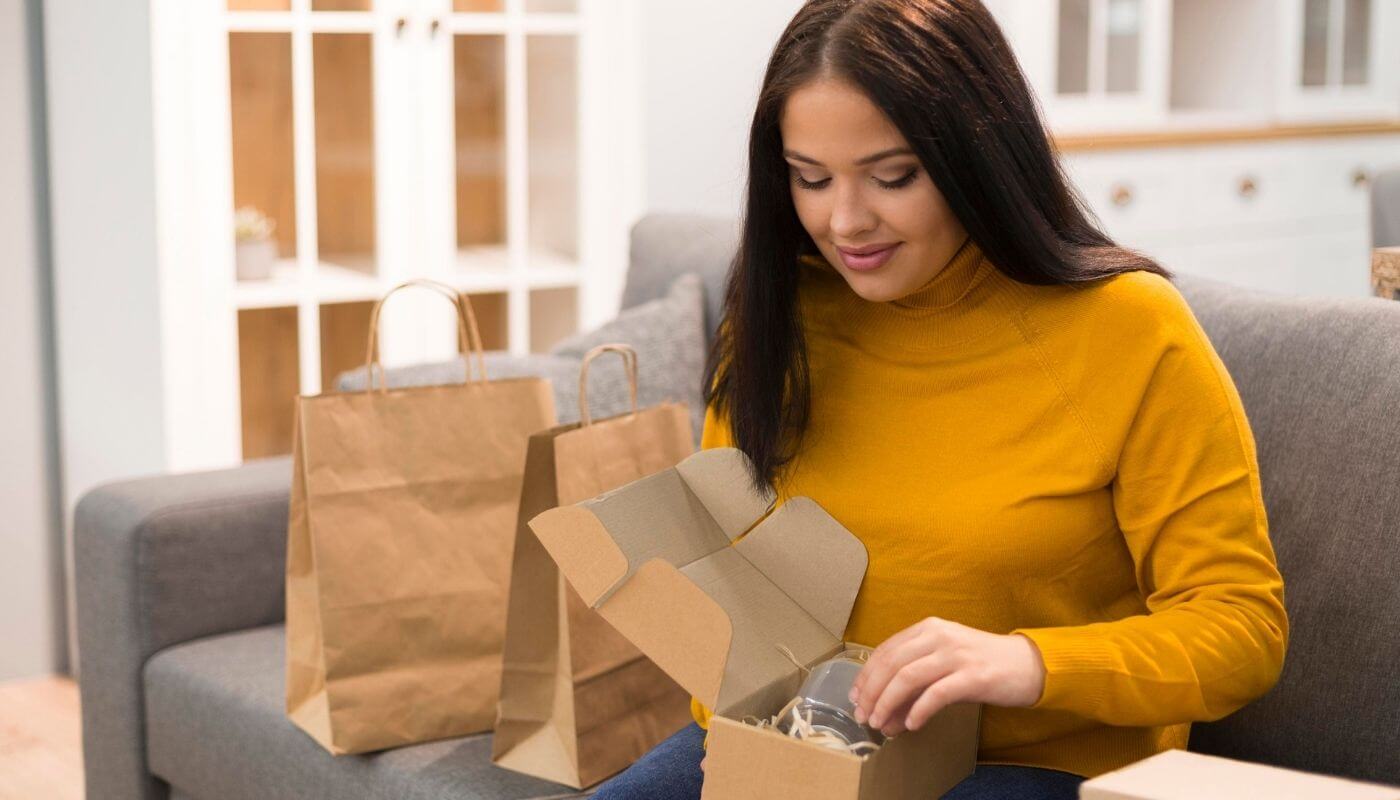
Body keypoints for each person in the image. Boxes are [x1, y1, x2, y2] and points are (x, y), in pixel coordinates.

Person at [593, 1, 1287, 797]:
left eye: (894, 177)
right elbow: (728, 575)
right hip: (800, 744)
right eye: (809, 178)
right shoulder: (781, 312)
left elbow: (1243, 630)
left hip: (1029, 764)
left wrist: (1025, 662)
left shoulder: (1130, 331)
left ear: (977, 158)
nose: (844, 221)